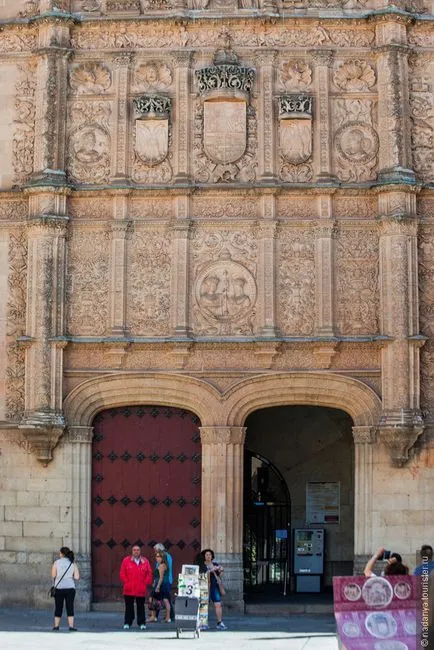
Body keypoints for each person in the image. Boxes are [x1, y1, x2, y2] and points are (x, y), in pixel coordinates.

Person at [119, 544, 152, 630]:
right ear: (132, 551)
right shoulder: (126, 561)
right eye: (134, 550)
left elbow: (149, 573)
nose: (136, 551)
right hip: (129, 588)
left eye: (138, 550)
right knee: (129, 607)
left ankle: (142, 623)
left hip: (140, 588)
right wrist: (127, 582)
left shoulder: (145, 561)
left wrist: (145, 583)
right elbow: (122, 573)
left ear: (140, 551)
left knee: (140, 607)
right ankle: (127, 623)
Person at [51, 546, 80, 632]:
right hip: (70, 588)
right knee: (70, 607)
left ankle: (56, 626)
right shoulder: (72, 563)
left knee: (58, 607)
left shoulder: (56, 563)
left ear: (62, 554)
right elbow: (77, 577)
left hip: (59, 588)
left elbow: (53, 575)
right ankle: (71, 626)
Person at [201, 548, 227, 630]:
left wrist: (221, 569)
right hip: (204, 587)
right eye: (206, 555)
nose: (208, 556)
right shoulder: (202, 565)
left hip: (214, 587)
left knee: (218, 604)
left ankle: (219, 622)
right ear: (204, 556)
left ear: (212, 556)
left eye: (209, 555)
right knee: (204, 605)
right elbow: (201, 575)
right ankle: (203, 623)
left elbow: (221, 573)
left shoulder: (215, 564)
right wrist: (210, 570)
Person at [147, 550, 171, 623]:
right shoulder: (163, 565)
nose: (156, 558)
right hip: (163, 584)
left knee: (153, 599)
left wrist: (157, 586)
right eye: (156, 556)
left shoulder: (161, 565)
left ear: (162, 557)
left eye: (158, 556)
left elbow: (161, 578)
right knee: (165, 600)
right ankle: (167, 618)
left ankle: (154, 616)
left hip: (161, 585)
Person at [153, 543, 174, 620]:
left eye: (156, 549)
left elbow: (163, 570)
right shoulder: (164, 556)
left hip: (165, 580)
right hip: (164, 580)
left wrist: (157, 583)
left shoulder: (165, 556)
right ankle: (168, 616)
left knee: (163, 598)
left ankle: (167, 616)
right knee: (164, 598)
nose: (155, 551)